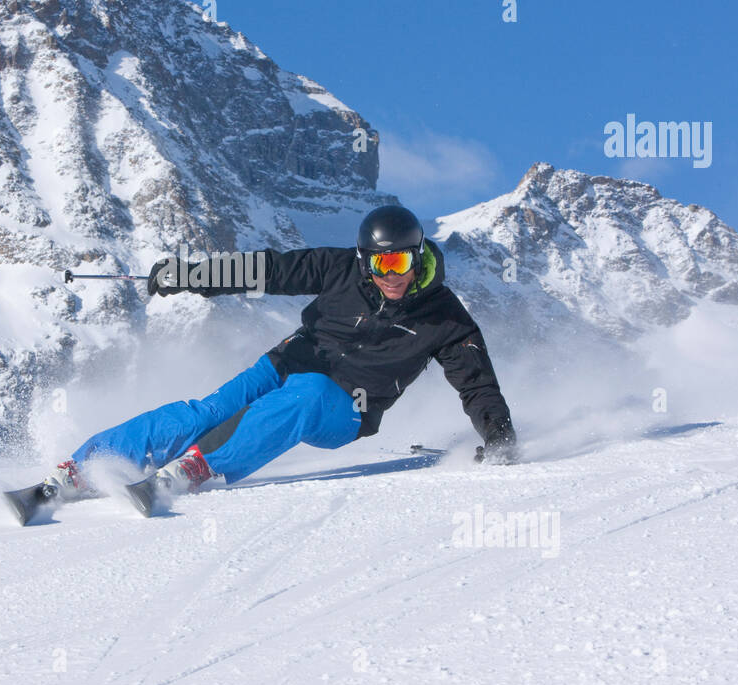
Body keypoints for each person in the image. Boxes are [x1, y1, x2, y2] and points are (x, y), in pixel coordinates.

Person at [49, 205, 518, 498]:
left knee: (310, 392)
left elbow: (477, 383)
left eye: (403, 260)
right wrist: (193, 276)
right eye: (382, 262)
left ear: (420, 256)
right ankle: (87, 464)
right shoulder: (338, 270)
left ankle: (201, 467)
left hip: (347, 409)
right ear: (364, 261)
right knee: (208, 412)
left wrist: (499, 438)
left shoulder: (446, 317)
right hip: (284, 364)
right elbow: (268, 270)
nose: (393, 274)